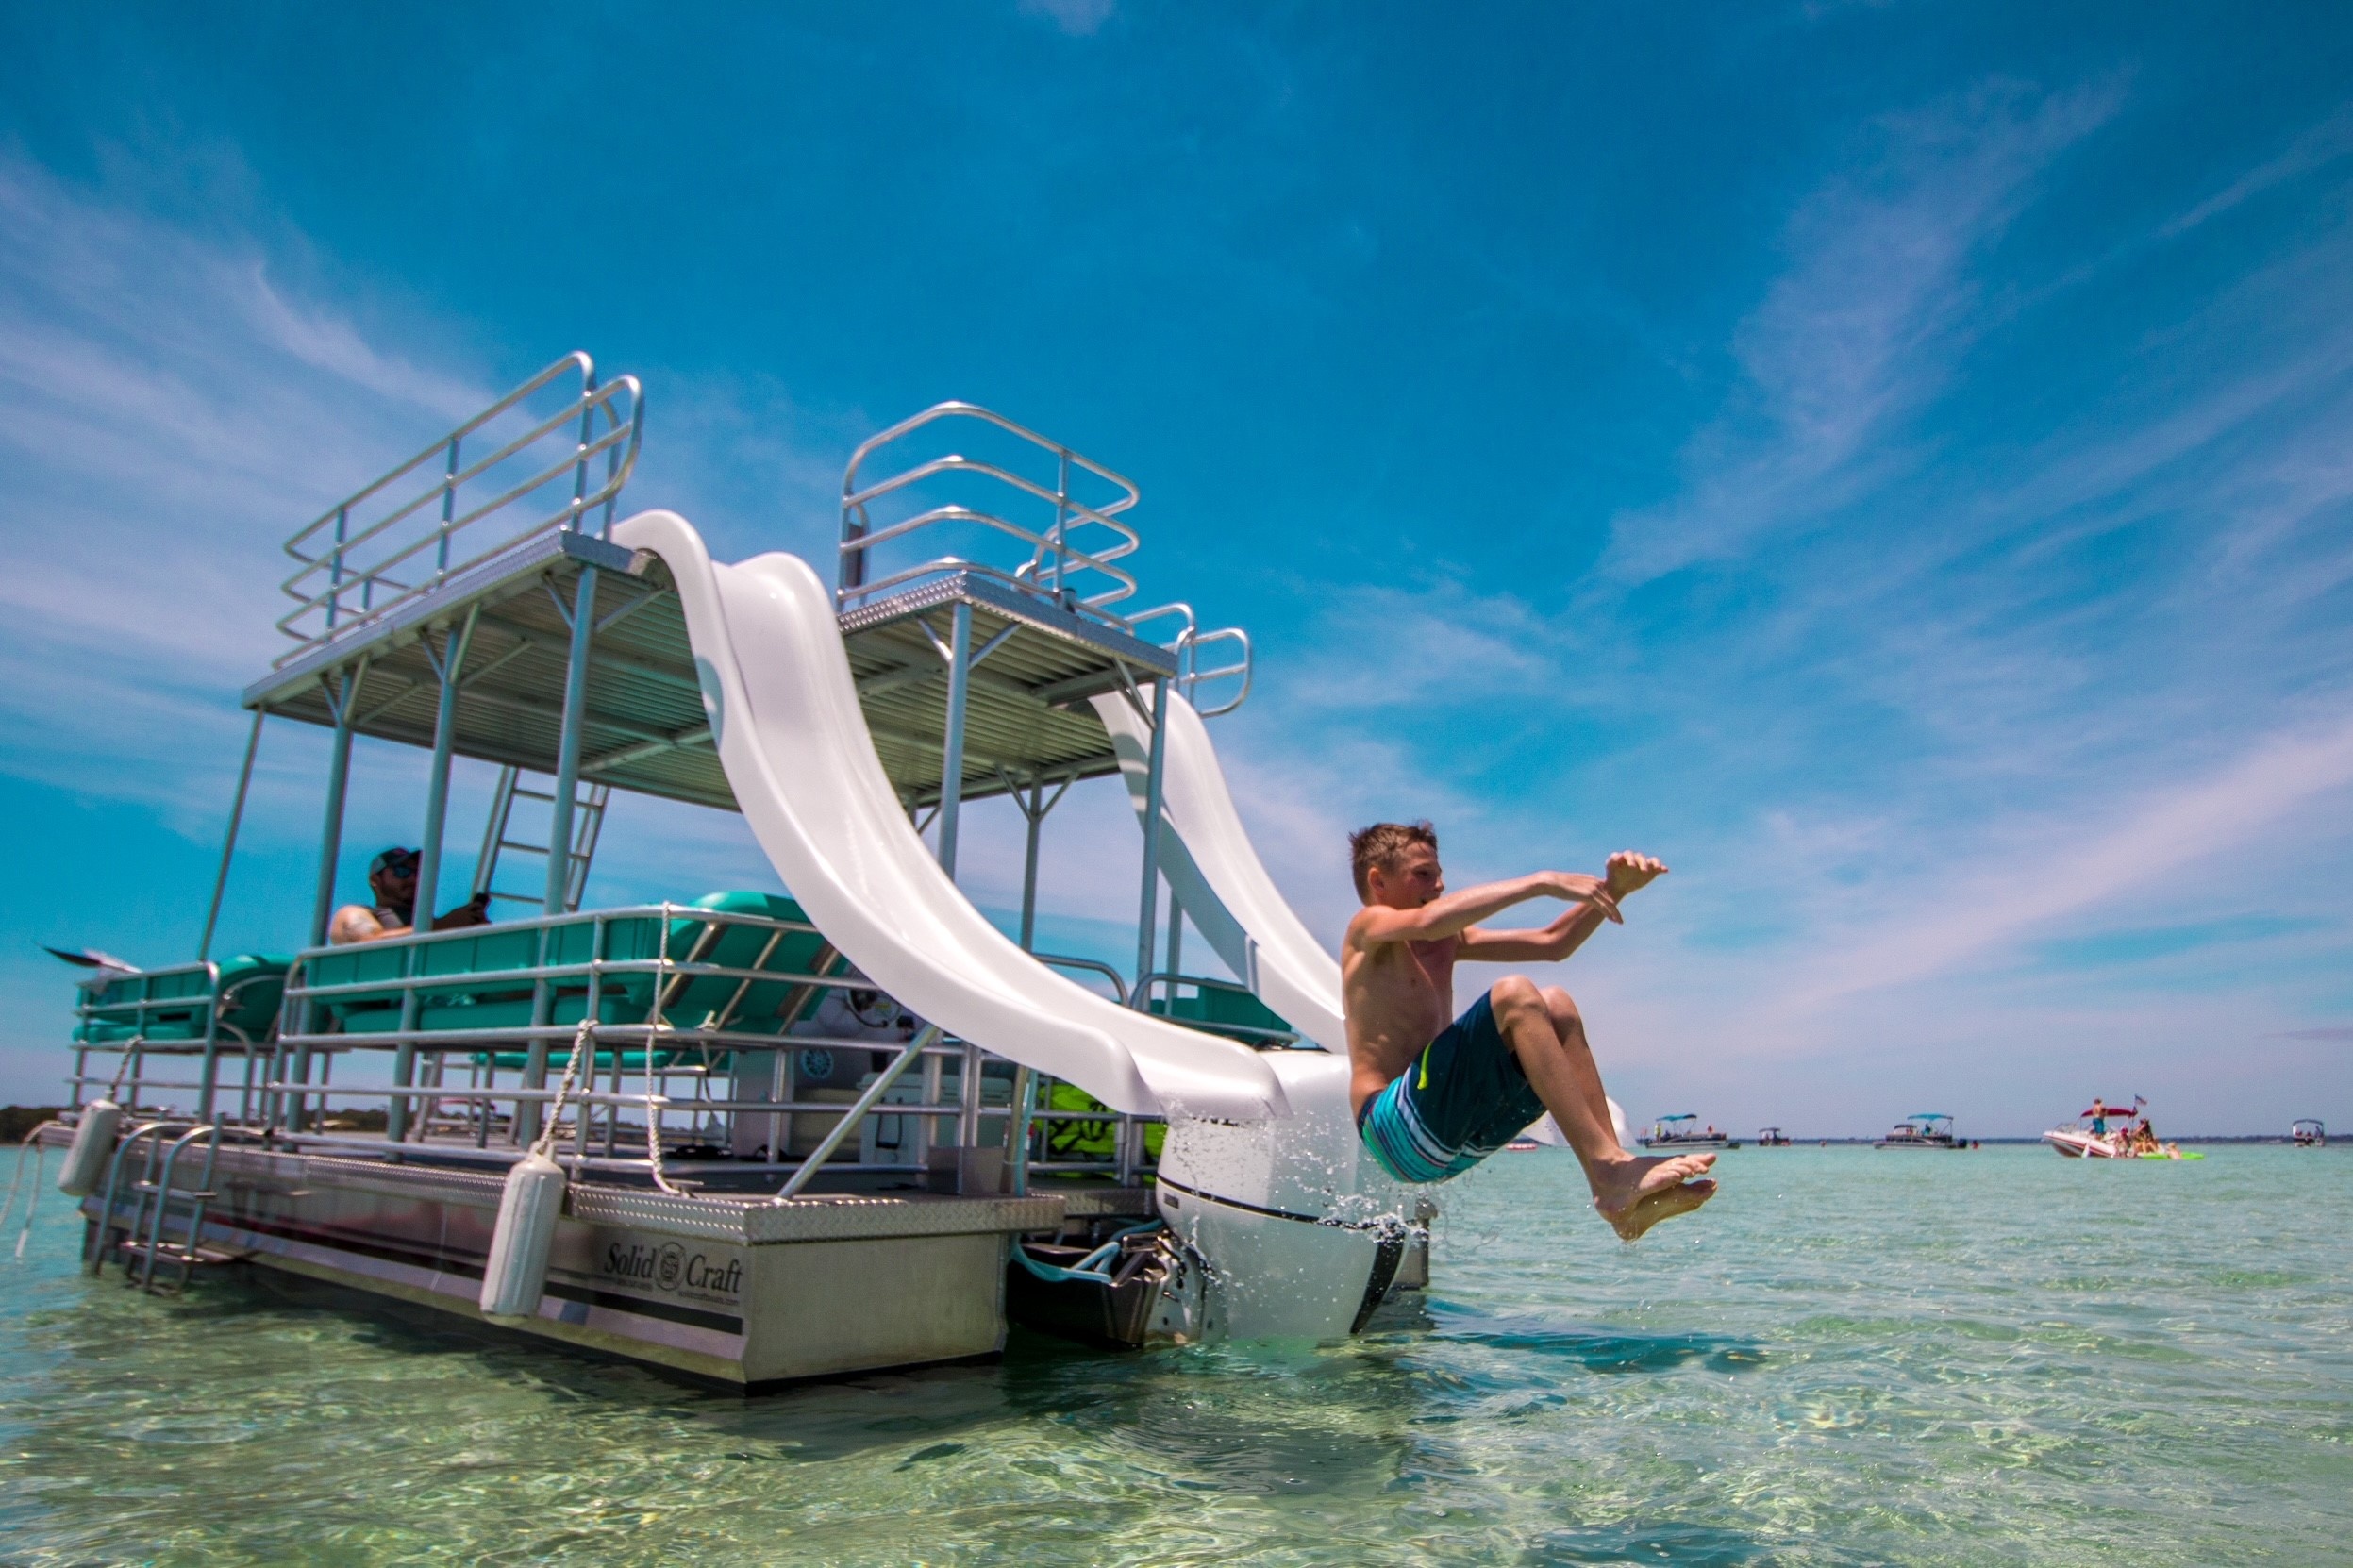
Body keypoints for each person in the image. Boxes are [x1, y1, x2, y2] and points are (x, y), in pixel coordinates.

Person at [1341, 820, 1715, 1241]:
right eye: (1424, 874)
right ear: (1379, 882)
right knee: (1514, 994)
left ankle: (1617, 1191)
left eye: (1440, 873)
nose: (1441, 884)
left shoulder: (1447, 941)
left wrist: (1615, 889)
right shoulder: (1366, 929)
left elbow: (1553, 942)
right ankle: (1609, 1172)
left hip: (1450, 1142)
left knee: (1556, 1005)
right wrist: (1541, 882)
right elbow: (1428, 920)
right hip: (1392, 1130)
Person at [328, 847, 492, 945]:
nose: (413, 879)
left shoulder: (429, 922)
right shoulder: (356, 913)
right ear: (375, 880)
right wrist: (443, 926)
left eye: (417, 872)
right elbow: (367, 945)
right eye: (402, 871)